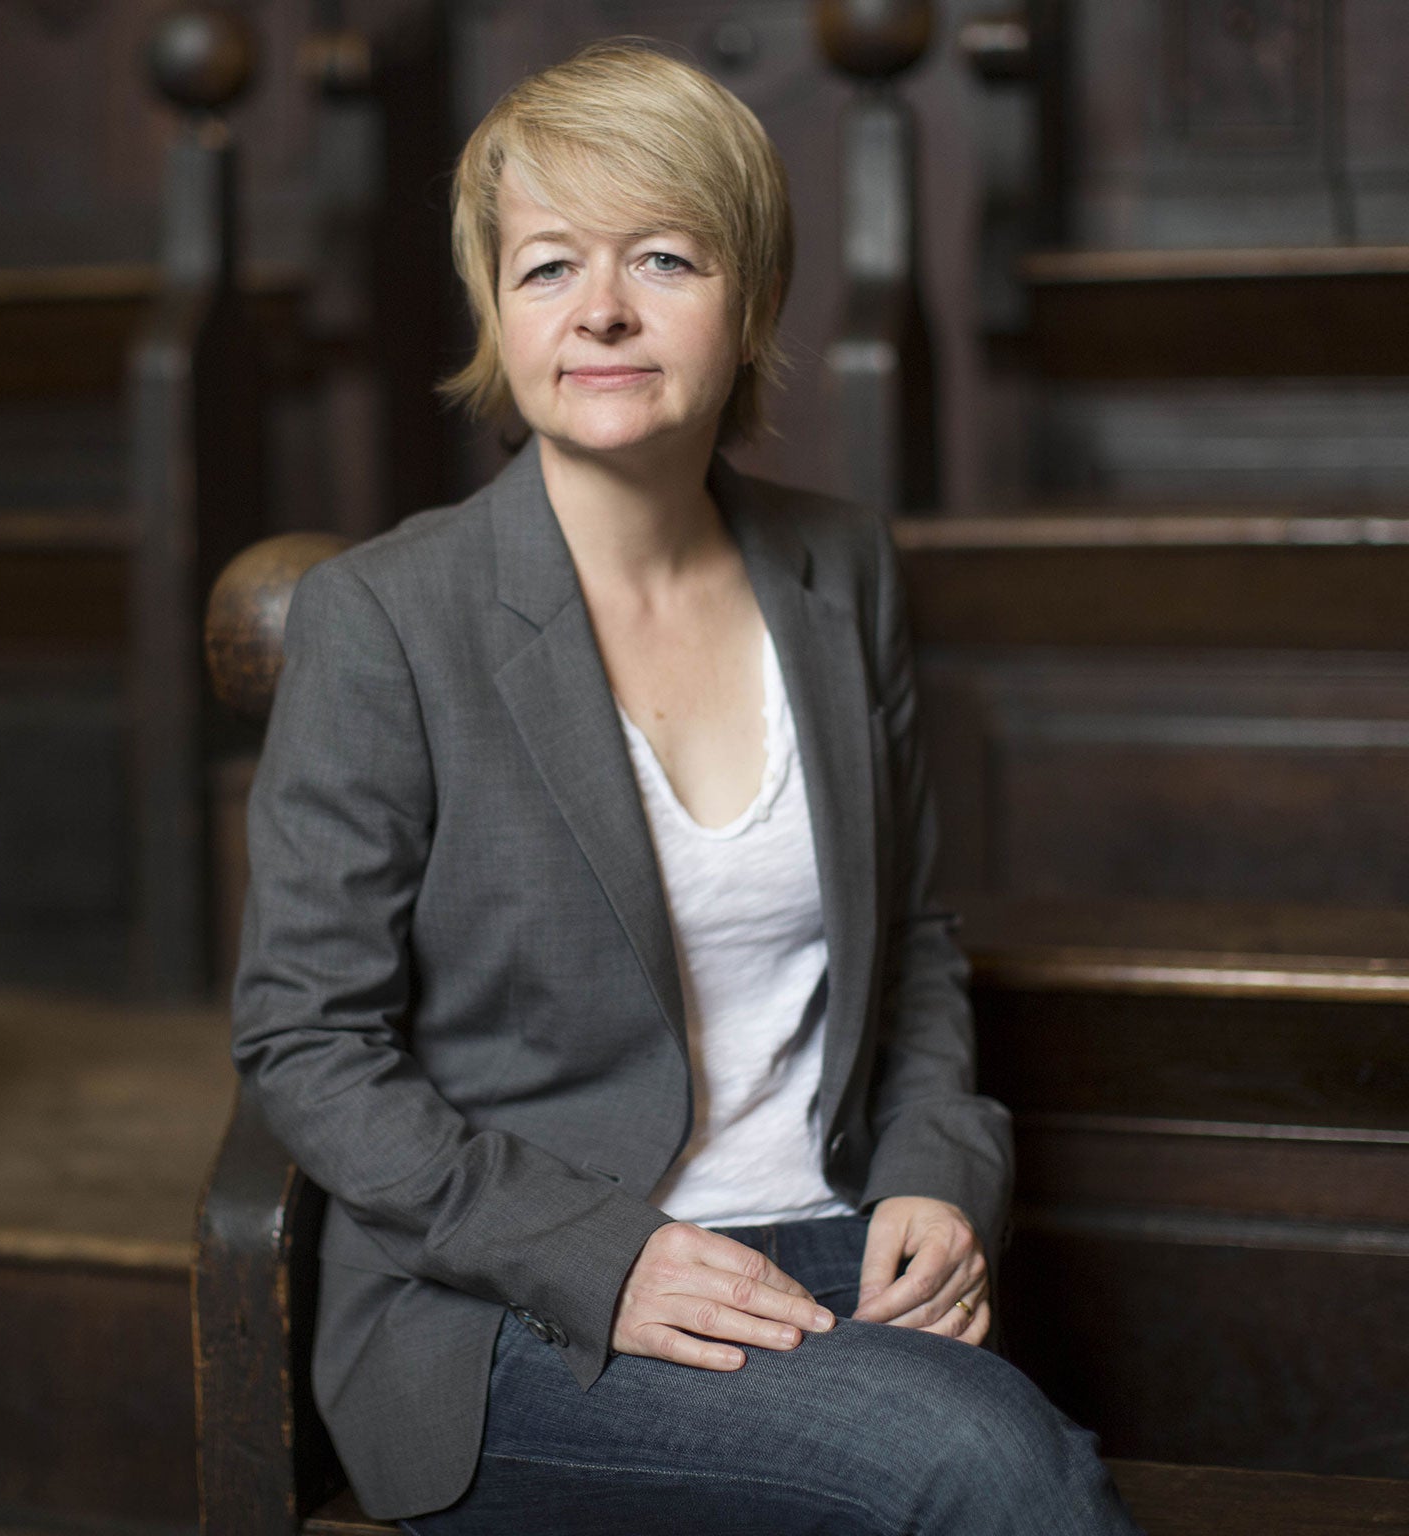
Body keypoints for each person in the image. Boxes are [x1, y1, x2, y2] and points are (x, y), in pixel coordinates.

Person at [232, 40, 1141, 1536]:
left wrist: (934, 1172)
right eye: (545, 267)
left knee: (995, 1456)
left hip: (833, 1233)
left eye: (661, 256)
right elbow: (304, 1043)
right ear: (497, 312)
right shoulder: (387, 617)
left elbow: (909, 943)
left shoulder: (838, 568)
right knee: (981, 1469)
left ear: (751, 298)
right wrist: (608, 1256)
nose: (599, 310)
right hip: (521, 1306)